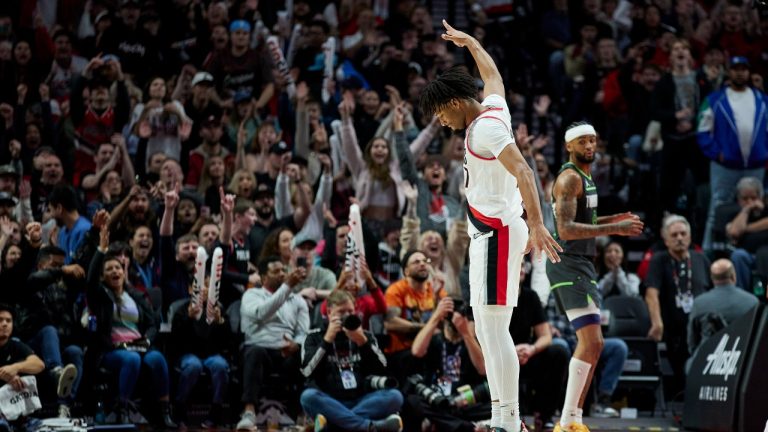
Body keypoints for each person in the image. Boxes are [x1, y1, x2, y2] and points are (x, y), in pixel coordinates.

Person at [419, 20, 562, 432]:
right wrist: (470, 43)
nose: (442, 123)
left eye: (441, 113)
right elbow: (493, 75)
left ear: (455, 102)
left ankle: (510, 421)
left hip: (498, 233)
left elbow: (525, 171)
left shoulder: (487, 128)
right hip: (491, 233)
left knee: (495, 329)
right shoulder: (493, 109)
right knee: (485, 327)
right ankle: (502, 416)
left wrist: (537, 225)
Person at [547, 122, 643, 431]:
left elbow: (584, 219)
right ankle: (567, 422)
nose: (590, 146)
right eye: (583, 141)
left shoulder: (585, 177)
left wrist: (612, 218)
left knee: (596, 344)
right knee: (590, 342)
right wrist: (615, 229)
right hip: (568, 262)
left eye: (592, 141)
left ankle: (574, 419)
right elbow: (565, 229)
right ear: (569, 146)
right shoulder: (569, 178)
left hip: (581, 264)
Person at [300, 290, 403, 432]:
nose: (347, 316)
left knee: (395, 396)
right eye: (341, 312)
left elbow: (382, 368)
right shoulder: (314, 337)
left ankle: (334, 425)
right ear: (329, 313)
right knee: (308, 397)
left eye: (350, 311)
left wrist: (362, 342)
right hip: (330, 401)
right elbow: (307, 372)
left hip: (362, 400)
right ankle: (369, 426)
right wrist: (327, 340)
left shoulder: (364, 335)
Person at [698, 56, 768, 253]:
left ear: (749, 72)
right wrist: (717, 153)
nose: (740, 73)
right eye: (736, 69)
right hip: (725, 166)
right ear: (729, 72)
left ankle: (752, 253)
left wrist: (765, 152)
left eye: (743, 69)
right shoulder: (714, 99)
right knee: (717, 209)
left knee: (757, 209)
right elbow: (702, 131)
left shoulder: (763, 100)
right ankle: (708, 254)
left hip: (755, 165)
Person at [236, 256, 309, 431]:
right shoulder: (251, 295)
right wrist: (287, 286)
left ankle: (304, 412)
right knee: (255, 352)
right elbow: (261, 313)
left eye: (283, 270)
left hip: (286, 352)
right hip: (259, 350)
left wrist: (297, 344)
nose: (282, 274)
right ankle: (249, 412)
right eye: (276, 271)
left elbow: (303, 332)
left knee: (308, 354)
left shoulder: (298, 300)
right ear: (263, 278)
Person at [644, 214, 710, 395]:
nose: (679, 238)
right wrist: (657, 323)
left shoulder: (701, 258)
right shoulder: (659, 259)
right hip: (673, 329)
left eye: (683, 234)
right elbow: (651, 293)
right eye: (674, 235)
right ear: (666, 240)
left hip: (701, 327)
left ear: (690, 237)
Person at [686, 259, 758, 362]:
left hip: (707, 360)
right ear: (733, 276)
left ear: (712, 278)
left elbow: (692, 342)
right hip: (743, 359)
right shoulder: (752, 301)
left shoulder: (699, 303)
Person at [0, 303, 45, 431]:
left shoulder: (15, 345)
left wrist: (16, 367)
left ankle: (21, 421)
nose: (5, 324)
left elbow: (39, 364)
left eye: (8, 321)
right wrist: (5, 375)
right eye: (0, 320)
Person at [725, 177, 768, 289]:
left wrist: (746, 228)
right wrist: (746, 210)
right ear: (738, 200)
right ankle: (741, 294)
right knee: (738, 255)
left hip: (765, 252)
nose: (749, 202)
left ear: (761, 197)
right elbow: (734, 232)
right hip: (748, 255)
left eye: (753, 198)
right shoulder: (734, 214)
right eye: (745, 199)